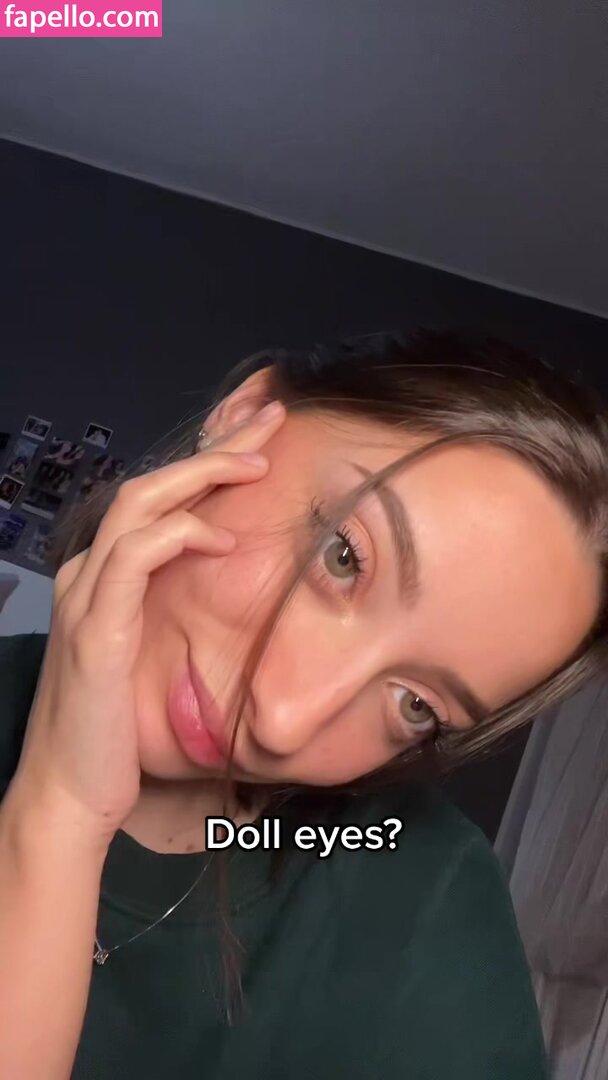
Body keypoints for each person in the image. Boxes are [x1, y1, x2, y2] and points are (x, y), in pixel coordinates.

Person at [1, 329, 607, 1080]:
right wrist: (57, 811)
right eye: (344, 556)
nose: (286, 719)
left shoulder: (424, 899)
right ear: (244, 416)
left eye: (415, 704)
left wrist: (61, 811)